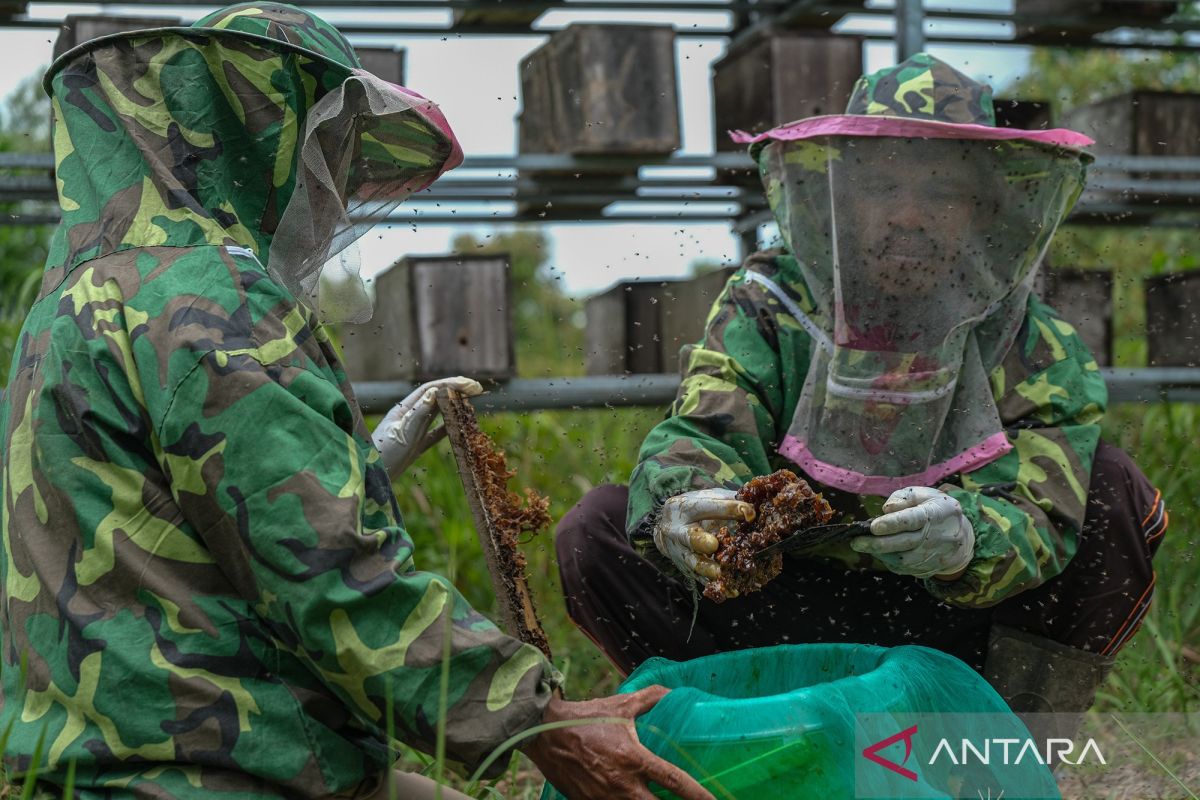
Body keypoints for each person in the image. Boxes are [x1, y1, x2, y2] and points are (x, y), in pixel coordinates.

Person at [0, 5, 712, 799]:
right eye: (324, 150)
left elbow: (165, 519)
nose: (331, 191)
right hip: (218, 767)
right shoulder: (209, 301)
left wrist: (352, 464)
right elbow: (340, 585)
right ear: (253, 142)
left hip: (88, 756)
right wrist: (541, 722)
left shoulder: (76, 300)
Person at [557, 54, 1166, 725]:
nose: (909, 216)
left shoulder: (1035, 343)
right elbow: (705, 428)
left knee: (1114, 493)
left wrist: (970, 541)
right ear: (840, 199)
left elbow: (1042, 510)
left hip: (950, 617)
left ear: (984, 210)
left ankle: (999, 760)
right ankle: (745, 739)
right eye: (882, 187)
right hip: (785, 604)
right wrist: (682, 507)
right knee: (602, 529)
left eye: (941, 192)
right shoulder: (771, 304)